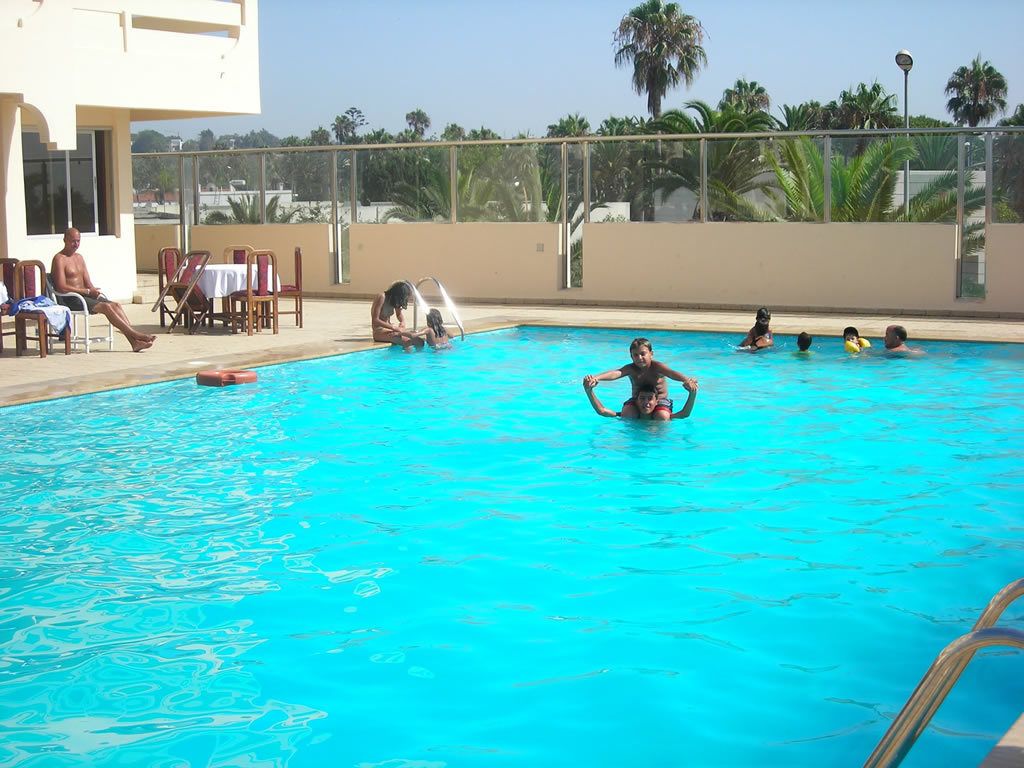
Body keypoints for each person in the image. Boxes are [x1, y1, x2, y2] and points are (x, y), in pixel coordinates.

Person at [50, 228, 156, 352]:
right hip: (71, 298)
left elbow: (87, 282)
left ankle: (134, 342)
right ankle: (136, 335)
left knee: (115, 305)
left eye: (78, 241)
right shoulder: (59, 259)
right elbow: (61, 287)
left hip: (85, 296)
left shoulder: (79, 258)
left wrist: (93, 290)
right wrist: (87, 292)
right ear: (65, 240)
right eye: (73, 241)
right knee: (107, 307)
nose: (76, 244)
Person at [583, 337, 697, 422]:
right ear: (631, 357)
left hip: (659, 401)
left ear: (651, 354)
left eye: (643, 354)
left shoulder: (657, 367)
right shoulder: (631, 369)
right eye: (635, 355)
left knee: (662, 416)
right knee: (627, 414)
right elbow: (616, 373)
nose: (639, 358)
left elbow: (672, 373)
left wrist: (686, 380)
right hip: (638, 400)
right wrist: (596, 378)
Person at [584, 379, 697, 420]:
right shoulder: (629, 415)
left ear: (656, 401)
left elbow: (684, 414)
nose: (646, 402)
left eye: (650, 399)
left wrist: (692, 393)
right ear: (636, 401)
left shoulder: (661, 417)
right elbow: (602, 411)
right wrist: (589, 391)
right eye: (642, 399)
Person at [371, 281, 424, 350]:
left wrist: (402, 322)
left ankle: (415, 358)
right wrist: (394, 328)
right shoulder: (382, 297)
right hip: (379, 331)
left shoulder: (395, 299)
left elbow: (399, 314)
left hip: (390, 329)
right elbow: (375, 320)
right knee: (407, 341)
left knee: (417, 341)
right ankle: (406, 359)